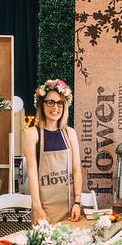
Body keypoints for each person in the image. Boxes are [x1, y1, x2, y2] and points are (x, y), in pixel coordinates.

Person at [24, 79, 82, 224]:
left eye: (59, 103)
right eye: (50, 102)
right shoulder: (32, 134)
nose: (55, 107)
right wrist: (37, 208)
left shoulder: (70, 133)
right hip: (45, 211)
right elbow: (32, 173)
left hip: (70, 210)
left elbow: (76, 170)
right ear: (41, 105)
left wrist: (77, 203)